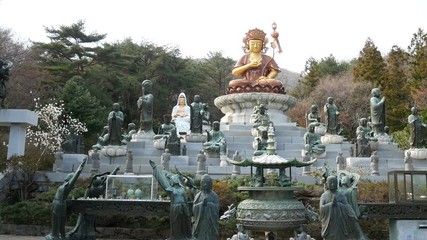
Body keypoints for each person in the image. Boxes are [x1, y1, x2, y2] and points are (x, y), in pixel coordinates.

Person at [67, 166, 120, 240]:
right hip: (93, 209)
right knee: (90, 224)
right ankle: (89, 235)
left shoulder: (89, 189)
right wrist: (115, 170)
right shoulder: (100, 189)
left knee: (83, 223)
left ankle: (82, 235)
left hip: (86, 209)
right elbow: (108, 180)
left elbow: (85, 199)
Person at [227, 28, 284, 94]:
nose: (255, 46)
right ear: (248, 45)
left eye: (258, 44)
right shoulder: (244, 57)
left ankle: (259, 86)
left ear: (262, 45)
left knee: (277, 83)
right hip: (247, 82)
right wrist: (249, 65)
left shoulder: (267, 58)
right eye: (253, 44)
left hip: (263, 82)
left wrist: (267, 78)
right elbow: (235, 72)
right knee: (233, 83)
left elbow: (274, 71)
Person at [149, 160, 193, 240]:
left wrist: (168, 172)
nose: (176, 179)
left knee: (185, 224)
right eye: (174, 178)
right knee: (177, 224)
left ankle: (186, 236)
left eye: (176, 178)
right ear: (171, 181)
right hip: (176, 208)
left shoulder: (182, 188)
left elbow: (189, 183)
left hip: (184, 208)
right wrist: (155, 168)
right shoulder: (171, 189)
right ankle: (177, 237)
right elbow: (162, 180)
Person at [45, 158, 87, 240]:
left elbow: (76, 174)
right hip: (60, 204)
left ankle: (55, 236)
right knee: (60, 222)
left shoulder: (67, 186)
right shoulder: (64, 186)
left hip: (58, 204)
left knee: (57, 221)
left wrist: (82, 165)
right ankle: (61, 236)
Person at [192, 174, 220, 240]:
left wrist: (209, 204)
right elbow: (194, 208)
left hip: (210, 223)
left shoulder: (214, 195)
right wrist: (201, 204)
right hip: (200, 222)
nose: (204, 184)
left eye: (206, 182)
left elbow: (217, 208)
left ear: (210, 184)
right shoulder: (198, 195)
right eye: (202, 182)